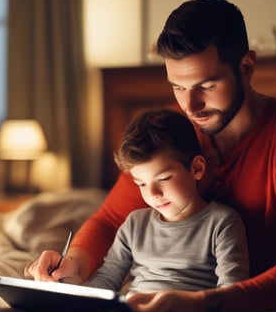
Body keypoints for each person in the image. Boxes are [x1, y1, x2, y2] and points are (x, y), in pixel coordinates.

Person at [25, 0, 276, 312]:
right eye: (178, 86)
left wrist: (207, 305)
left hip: (251, 305)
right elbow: (112, 220)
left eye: (206, 86)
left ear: (246, 67)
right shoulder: (171, 129)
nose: (191, 105)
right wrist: (76, 264)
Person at [85, 109, 249, 295]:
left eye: (163, 179)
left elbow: (232, 290)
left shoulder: (222, 222)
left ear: (196, 168)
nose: (153, 193)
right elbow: (107, 277)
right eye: (141, 184)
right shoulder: (134, 224)